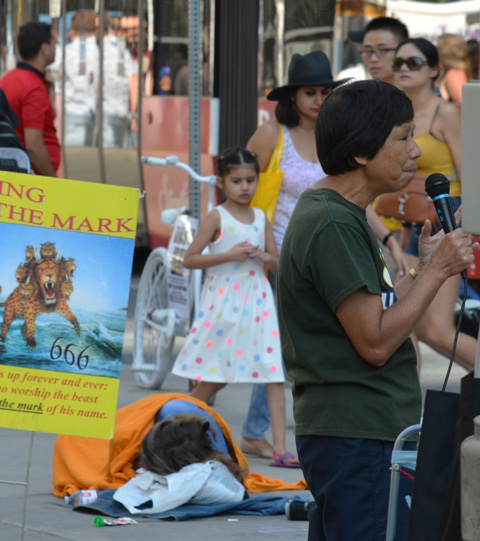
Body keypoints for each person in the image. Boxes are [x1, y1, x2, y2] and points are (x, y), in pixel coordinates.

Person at [276, 79, 476, 541]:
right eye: (403, 138)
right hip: (356, 433)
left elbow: (376, 309)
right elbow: (376, 342)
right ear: (361, 152)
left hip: (360, 431)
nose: (415, 151)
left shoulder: (343, 213)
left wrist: (421, 268)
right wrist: (437, 272)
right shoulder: (332, 222)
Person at [242, 50, 407, 460]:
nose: (318, 99)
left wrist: (389, 239)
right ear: (292, 97)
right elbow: (241, 189)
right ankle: (252, 428)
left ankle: (259, 429)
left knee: (306, 343)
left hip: (329, 250)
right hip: (278, 252)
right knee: (281, 342)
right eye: (309, 92)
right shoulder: (272, 134)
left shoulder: (338, 135)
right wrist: (259, 245)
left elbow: (356, 195)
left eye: (325, 92)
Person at [171, 148, 299, 468]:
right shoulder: (217, 217)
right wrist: (230, 255)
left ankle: (280, 449)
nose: (245, 187)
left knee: (272, 369)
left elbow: (277, 262)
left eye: (251, 180)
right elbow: (190, 259)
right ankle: (172, 426)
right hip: (224, 302)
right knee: (218, 372)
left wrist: (264, 257)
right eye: (237, 181)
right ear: (221, 182)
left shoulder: (260, 217)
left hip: (257, 299)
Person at [394, 38, 476, 372]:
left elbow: (471, 173)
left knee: (438, 331)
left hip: (446, 216)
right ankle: (409, 404)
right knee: (409, 327)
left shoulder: (446, 113)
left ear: (434, 70)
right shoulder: (399, 114)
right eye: (398, 62)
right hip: (411, 222)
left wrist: (466, 227)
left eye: (413, 62)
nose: (403, 68)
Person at [0, 21, 60, 176]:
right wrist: (54, 182)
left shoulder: (7, 78)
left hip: (15, 173)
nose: (56, 47)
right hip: (34, 178)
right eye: (53, 43)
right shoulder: (34, 88)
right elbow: (34, 146)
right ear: (44, 48)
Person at [64, 10, 99, 147]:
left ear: (73, 30)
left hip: (72, 111)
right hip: (91, 111)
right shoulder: (98, 51)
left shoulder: (68, 51)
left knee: (74, 156)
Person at [436, 34, 470, 103]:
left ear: (444, 52)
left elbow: (462, 104)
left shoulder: (454, 74)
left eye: (438, 48)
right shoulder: (456, 71)